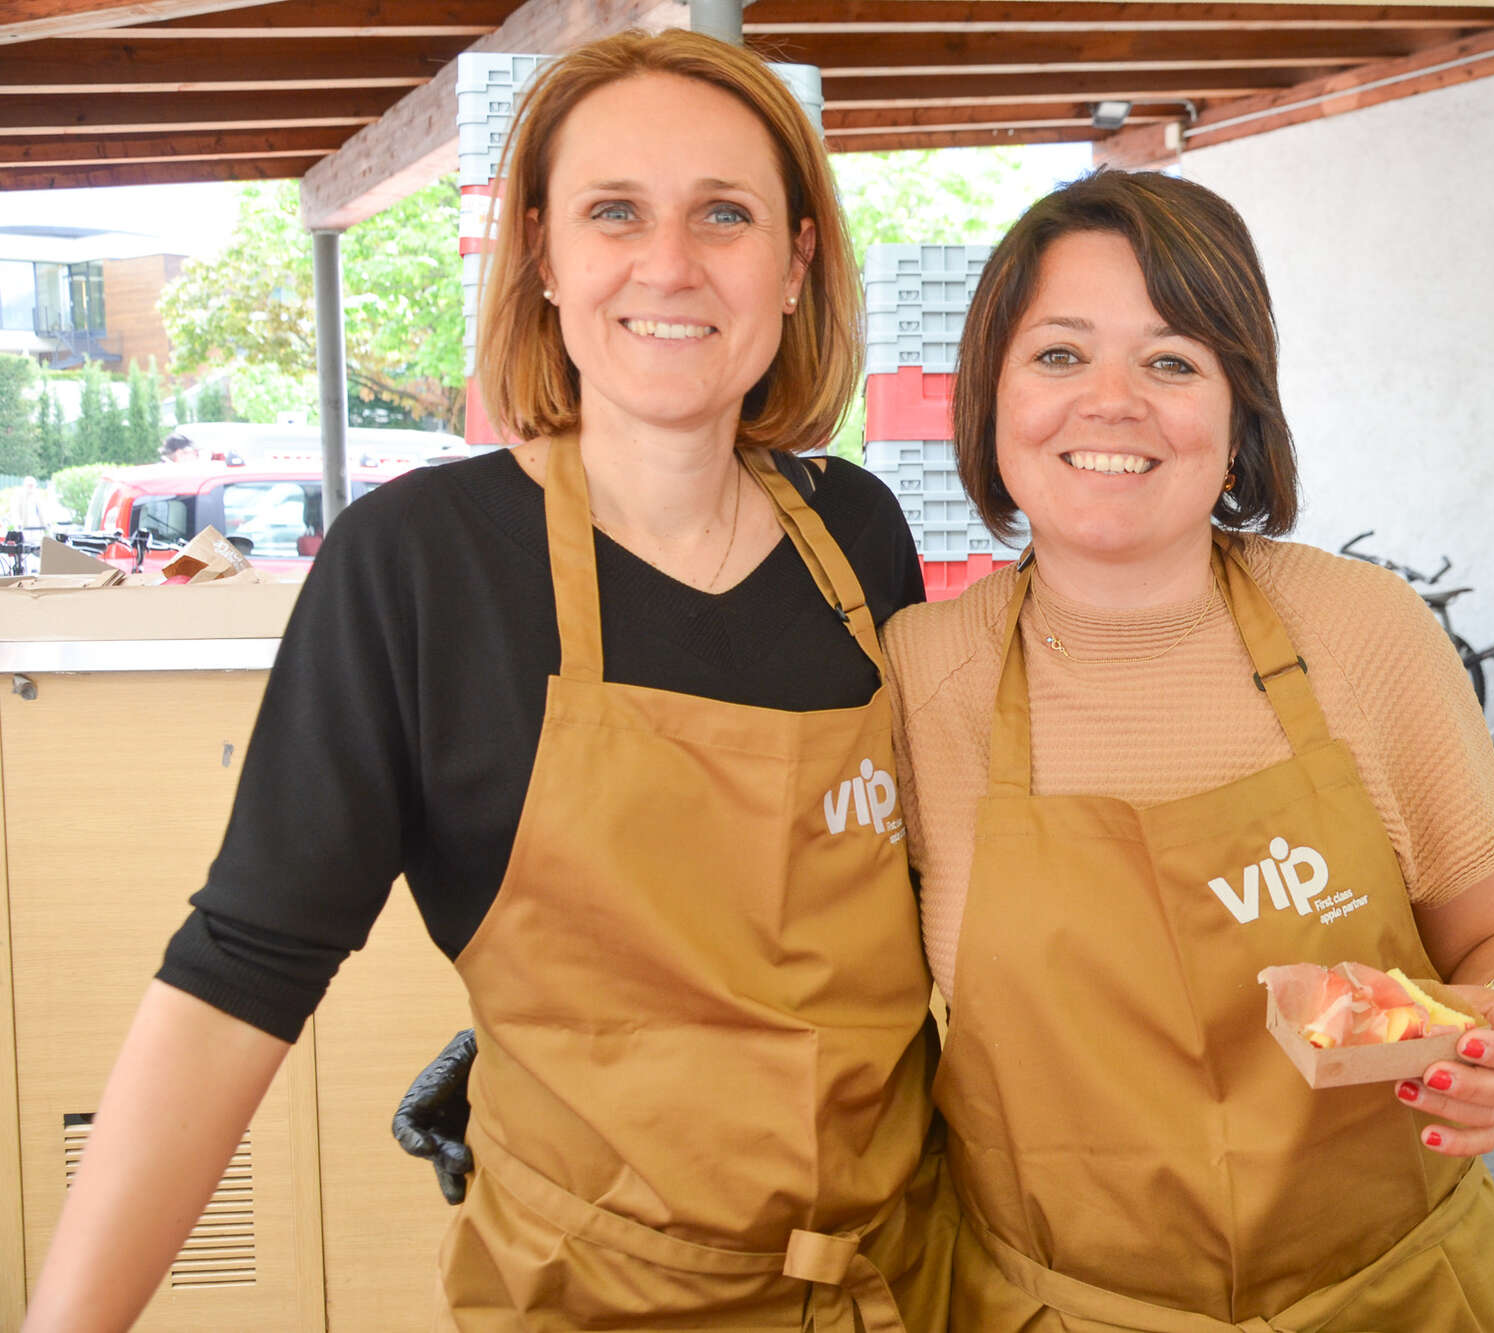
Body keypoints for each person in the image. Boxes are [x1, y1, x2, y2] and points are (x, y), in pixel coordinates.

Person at [26, 30, 949, 1333]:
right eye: (613, 211)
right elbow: (241, 970)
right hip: (596, 1302)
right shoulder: (421, 562)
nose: (669, 263)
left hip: (907, 1283)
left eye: (724, 213)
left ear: (797, 263)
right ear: (542, 256)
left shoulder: (856, 534)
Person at [883, 170, 1494, 1329]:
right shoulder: (918, 680)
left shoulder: (1364, 631)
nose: (1111, 401)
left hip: (1393, 1297)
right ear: (990, 397)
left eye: (1171, 361)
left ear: (1238, 411)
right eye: (1058, 354)